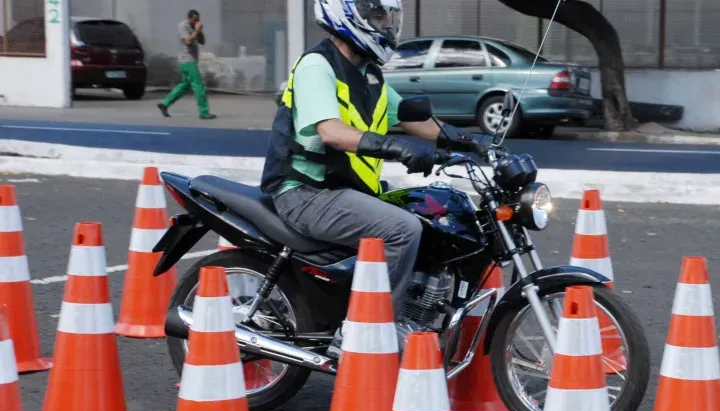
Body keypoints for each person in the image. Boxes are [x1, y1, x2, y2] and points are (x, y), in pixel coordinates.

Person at [260, 0, 494, 358]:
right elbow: (332, 132)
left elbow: (413, 119)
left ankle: (416, 313)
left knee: (429, 217)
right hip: (306, 192)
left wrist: (471, 141)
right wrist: (398, 149)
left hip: (344, 189)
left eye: (389, 17)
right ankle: (366, 330)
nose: (386, 25)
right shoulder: (316, 66)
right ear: (347, 15)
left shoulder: (369, 75)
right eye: (378, 16)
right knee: (402, 229)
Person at [157, 9, 216, 120]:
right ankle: (204, 112)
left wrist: (199, 31)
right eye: (194, 20)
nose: (196, 22)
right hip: (187, 60)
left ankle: (164, 103)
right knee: (198, 85)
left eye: (197, 20)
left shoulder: (194, 27)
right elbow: (188, 41)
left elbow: (202, 42)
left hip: (190, 61)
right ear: (189, 18)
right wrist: (196, 30)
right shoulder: (183, 26)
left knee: (185, 85)